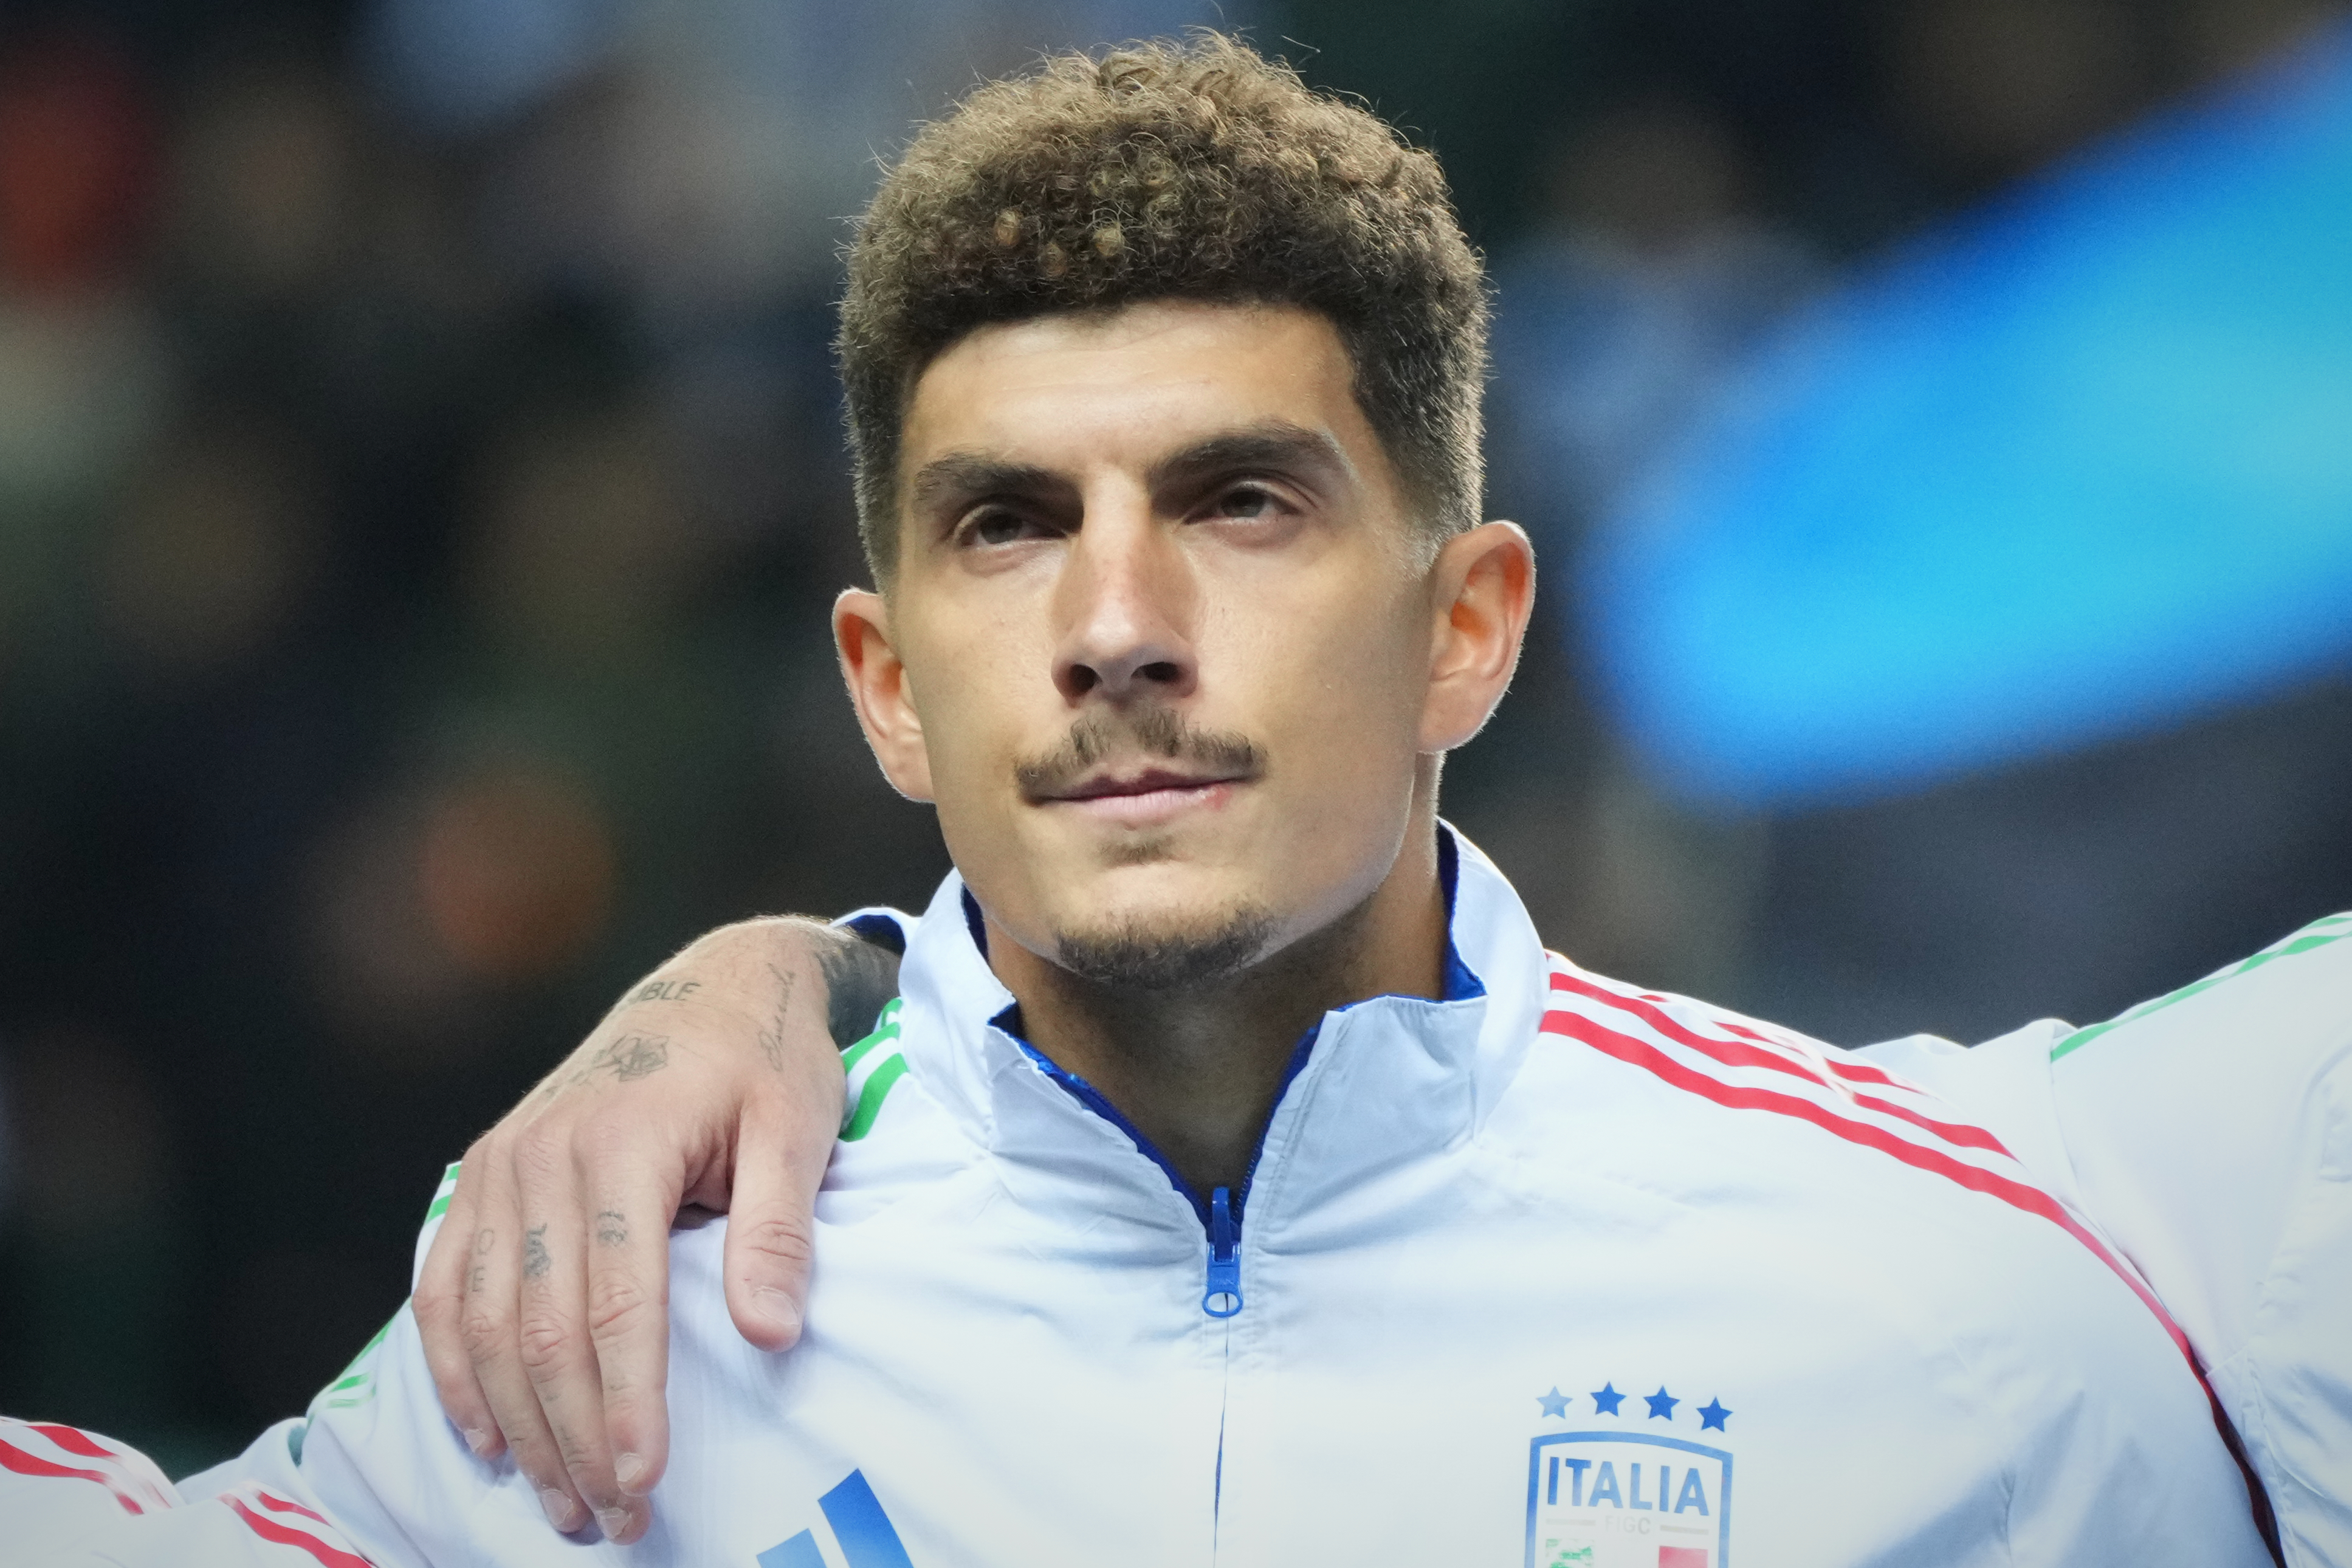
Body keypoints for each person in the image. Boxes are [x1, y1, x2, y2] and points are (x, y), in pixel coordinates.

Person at [2, 35, 2285, 1566]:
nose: (1116, 622)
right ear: (887, 687)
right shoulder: (586, 1351)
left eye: (1244, 502)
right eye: (1006, 524)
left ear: (1468, 629)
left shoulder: (1972, 1293)